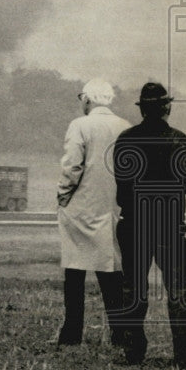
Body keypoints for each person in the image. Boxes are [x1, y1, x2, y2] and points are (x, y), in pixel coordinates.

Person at [113, 82, 186, 370]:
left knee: (133, 290)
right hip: (170, 226)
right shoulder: (179, 140)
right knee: (179, 292)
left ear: (142, 109)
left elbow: (122, 190)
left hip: (133, 225)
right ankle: (184, 355)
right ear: (167, 107)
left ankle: (133, 352)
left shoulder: (125, 140)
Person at [56, 78, 131, 346]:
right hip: (114, 207)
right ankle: (120, 332)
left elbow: (72, 166)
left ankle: (71, 332)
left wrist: (63, 195)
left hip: (81, 206)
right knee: (110, 269)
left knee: (74, 271)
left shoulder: (80, 125)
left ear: (87, 99)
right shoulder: (125, 127)